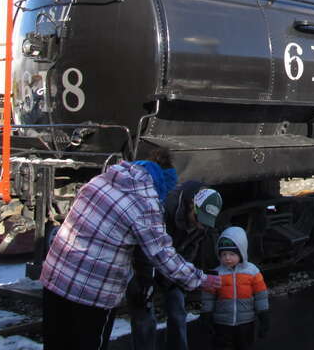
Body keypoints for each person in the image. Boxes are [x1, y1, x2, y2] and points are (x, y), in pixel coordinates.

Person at [41, 150, 221, 350]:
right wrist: (201, 279)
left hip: (55, 278)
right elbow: (162, 254)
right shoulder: (145, 201)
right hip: (91, 292)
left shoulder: (103, 179)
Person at [128, 183, 223, 350]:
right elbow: (146, 250)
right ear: (191, 205)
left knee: (178, 312)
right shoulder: (162, 211)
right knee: (144, 317)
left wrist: (182, 277)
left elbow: (192, 248)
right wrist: (146, 282)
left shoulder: (202, 222)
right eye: (199, 219)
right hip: (146, 264)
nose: (201, 225)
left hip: (174, 265)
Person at [202, 226, 271, 349]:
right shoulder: (215, 274)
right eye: (223, 254)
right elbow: (208, 297)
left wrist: (263, 315)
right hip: (222, 323)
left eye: (232, 254)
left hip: (246, 323)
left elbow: (261, 295)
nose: (227, 258)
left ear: (242, 252)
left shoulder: (252, 272)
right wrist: (206, 315)